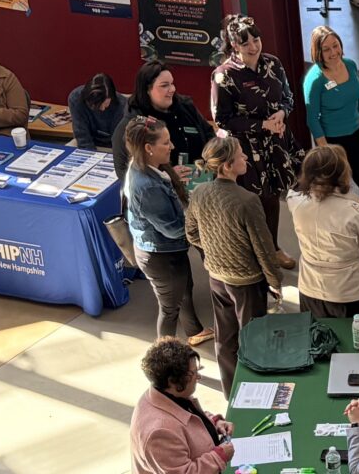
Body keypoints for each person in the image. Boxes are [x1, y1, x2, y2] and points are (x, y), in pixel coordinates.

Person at [185, 136, 283, 397]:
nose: (246, 158)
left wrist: (214, 251)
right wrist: (275, 280)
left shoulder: (201, 192)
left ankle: (232, 393)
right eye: (241, 155)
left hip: (216, 277)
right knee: (253, 340)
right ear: (227, 166)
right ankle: (256, 395)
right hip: (247, 282)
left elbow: (191, 232)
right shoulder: (247, 200)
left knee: (225, 337)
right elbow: (264, 247)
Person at [211, 14, 303, 268]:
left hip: (275, 144)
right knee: (250, 203)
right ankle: (250, 254)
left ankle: (272, 248)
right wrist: (261, 124)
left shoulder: (273, 63)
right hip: (246, 151)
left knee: (273, 198)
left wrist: (282, 113)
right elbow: (223, 120)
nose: (253, 46)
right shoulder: (224, 76)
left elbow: (288, 97)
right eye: (245, 43)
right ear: (234, 46)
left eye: (256, 39)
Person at [123, 116, 213, 345]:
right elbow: (174, 229)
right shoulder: (147, 187)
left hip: (166, 252)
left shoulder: (146, 168)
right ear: (148, 148)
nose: (172, 147)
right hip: (161, 257)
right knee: (169, 308)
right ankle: (166, 356)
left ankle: (194, 331)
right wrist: (203, 223)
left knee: (183, 289)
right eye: (166, 143)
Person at [286, 145, 359, 318]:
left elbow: (297, 195)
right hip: (352, 294)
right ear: (342, 174)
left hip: (311, 290)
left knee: (319, 341)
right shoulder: (356, 214)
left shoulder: (296, 203)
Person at [303, 26, 359, 219]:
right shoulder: (315, 81)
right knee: (336, 193)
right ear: (318, 52)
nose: (333, 53)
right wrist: (327, 152)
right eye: (326, 49)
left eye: (335, 46)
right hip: (332, 141)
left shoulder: (350, 65)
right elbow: (312, 119)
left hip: (356, 134)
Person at [130, 337, 235, 474]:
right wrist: (219, 457)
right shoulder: (159, 433)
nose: (198, 377)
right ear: (172, 381)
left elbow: (189, 417)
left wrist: (213, 423)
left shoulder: (166, 393)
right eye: (193, 373)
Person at [112, 60, 214, 181]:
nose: (172, 89)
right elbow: (125, 173)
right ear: (147, 90)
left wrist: (213, 160)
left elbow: (209, 133)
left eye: (172, 83)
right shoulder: (133, 123)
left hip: (201, 184)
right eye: (164, 85)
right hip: (162, 193)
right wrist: (166, 175)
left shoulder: (186, 107)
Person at [68, 72, 126, 150]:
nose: (102, 109)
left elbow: (119, 142)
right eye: (94, 106)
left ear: (111, 97)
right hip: (86, 142)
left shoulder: (122, 106)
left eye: (104, 104)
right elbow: (82, 135)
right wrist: (89, 155)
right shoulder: (76, 98)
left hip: (112, 147)